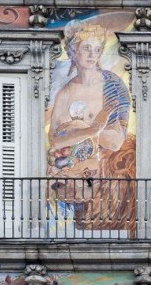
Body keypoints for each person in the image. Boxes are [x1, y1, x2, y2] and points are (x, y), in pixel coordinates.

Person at [48, 23, 133, 230]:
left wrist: (76, 129)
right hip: (69, 168)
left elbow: (115, 141)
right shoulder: (65, 92)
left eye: (97, 49)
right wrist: (90, 130)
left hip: (102, 170)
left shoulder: (113, 86)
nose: (92, 54)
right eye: (86, 48)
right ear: (73, 50)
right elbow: (55, 140)